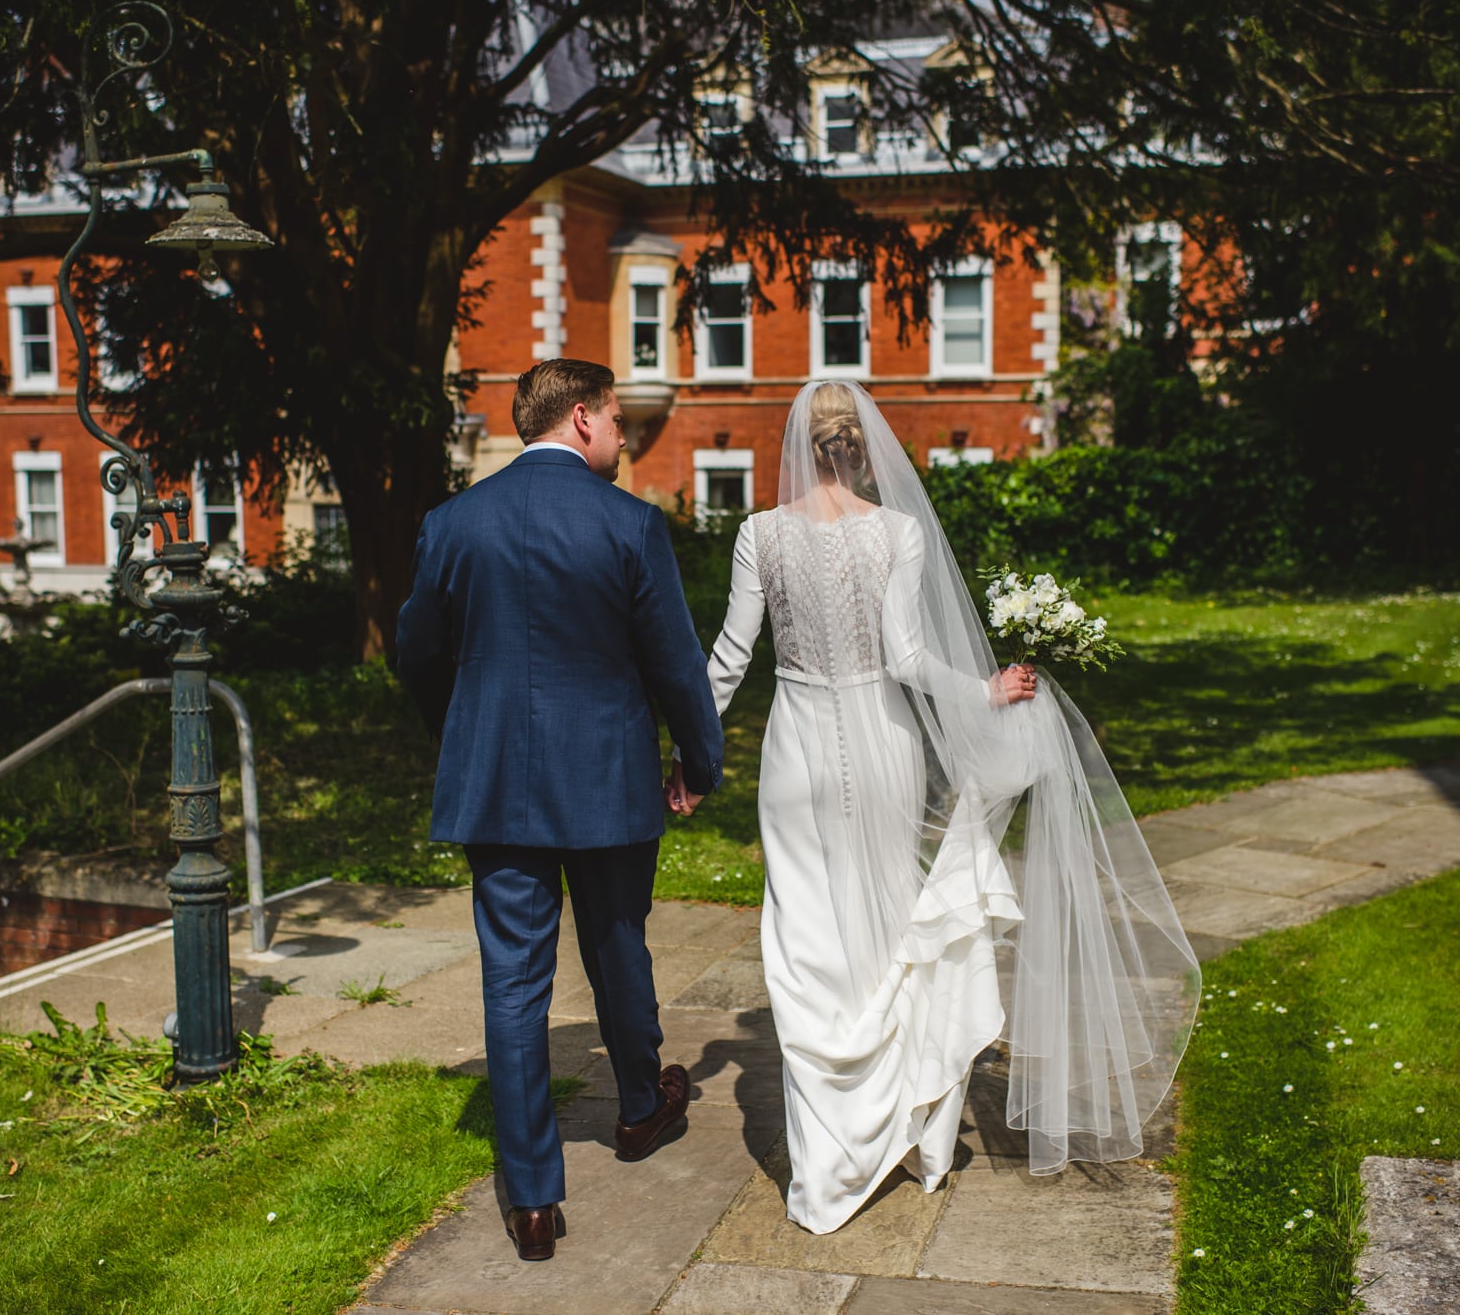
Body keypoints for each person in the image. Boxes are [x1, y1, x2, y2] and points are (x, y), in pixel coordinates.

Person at [667, 380, 1200, 1234]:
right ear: (862, 446)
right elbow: (910, 659)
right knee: (889, 934)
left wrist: (691, 759)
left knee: (802, 944)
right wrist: (982, 689)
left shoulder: (757, 534)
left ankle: (825, 1168)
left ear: (798, 445)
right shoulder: (898, 531)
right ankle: (915, 1129)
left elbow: (729, 657)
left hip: (795, 752)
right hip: (884, 745)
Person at [397, 358, 724, 1262]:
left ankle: (533, 1200)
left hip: (495, 782)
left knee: (513, 982)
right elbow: (674, 663)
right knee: (618, 947)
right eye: (617, 420)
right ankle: (636, 1105)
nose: (622, 436)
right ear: (581, 418)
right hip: (609, 780)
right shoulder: (630, 525)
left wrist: (460, 728)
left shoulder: (453, 522)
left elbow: (416, 650)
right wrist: (699, 764)